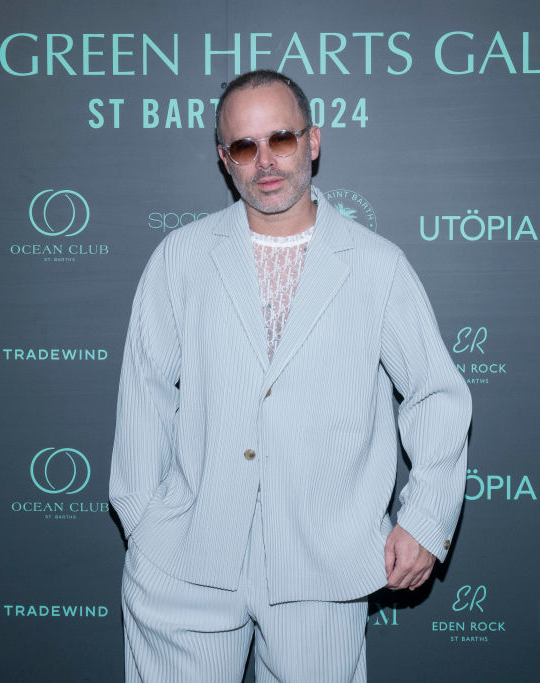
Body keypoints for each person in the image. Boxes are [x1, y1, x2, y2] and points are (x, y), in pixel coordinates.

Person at [110, 69, 471, 682]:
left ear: (313, 141)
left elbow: (436, 395)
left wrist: (426, 520)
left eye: (281, 138)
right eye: (245, 147)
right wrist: (146, 524)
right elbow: (145, 393)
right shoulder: (181, 258)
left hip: (322, 568)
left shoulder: (378, 267)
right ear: (225, 159)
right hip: (186, 561)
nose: (265, 161)